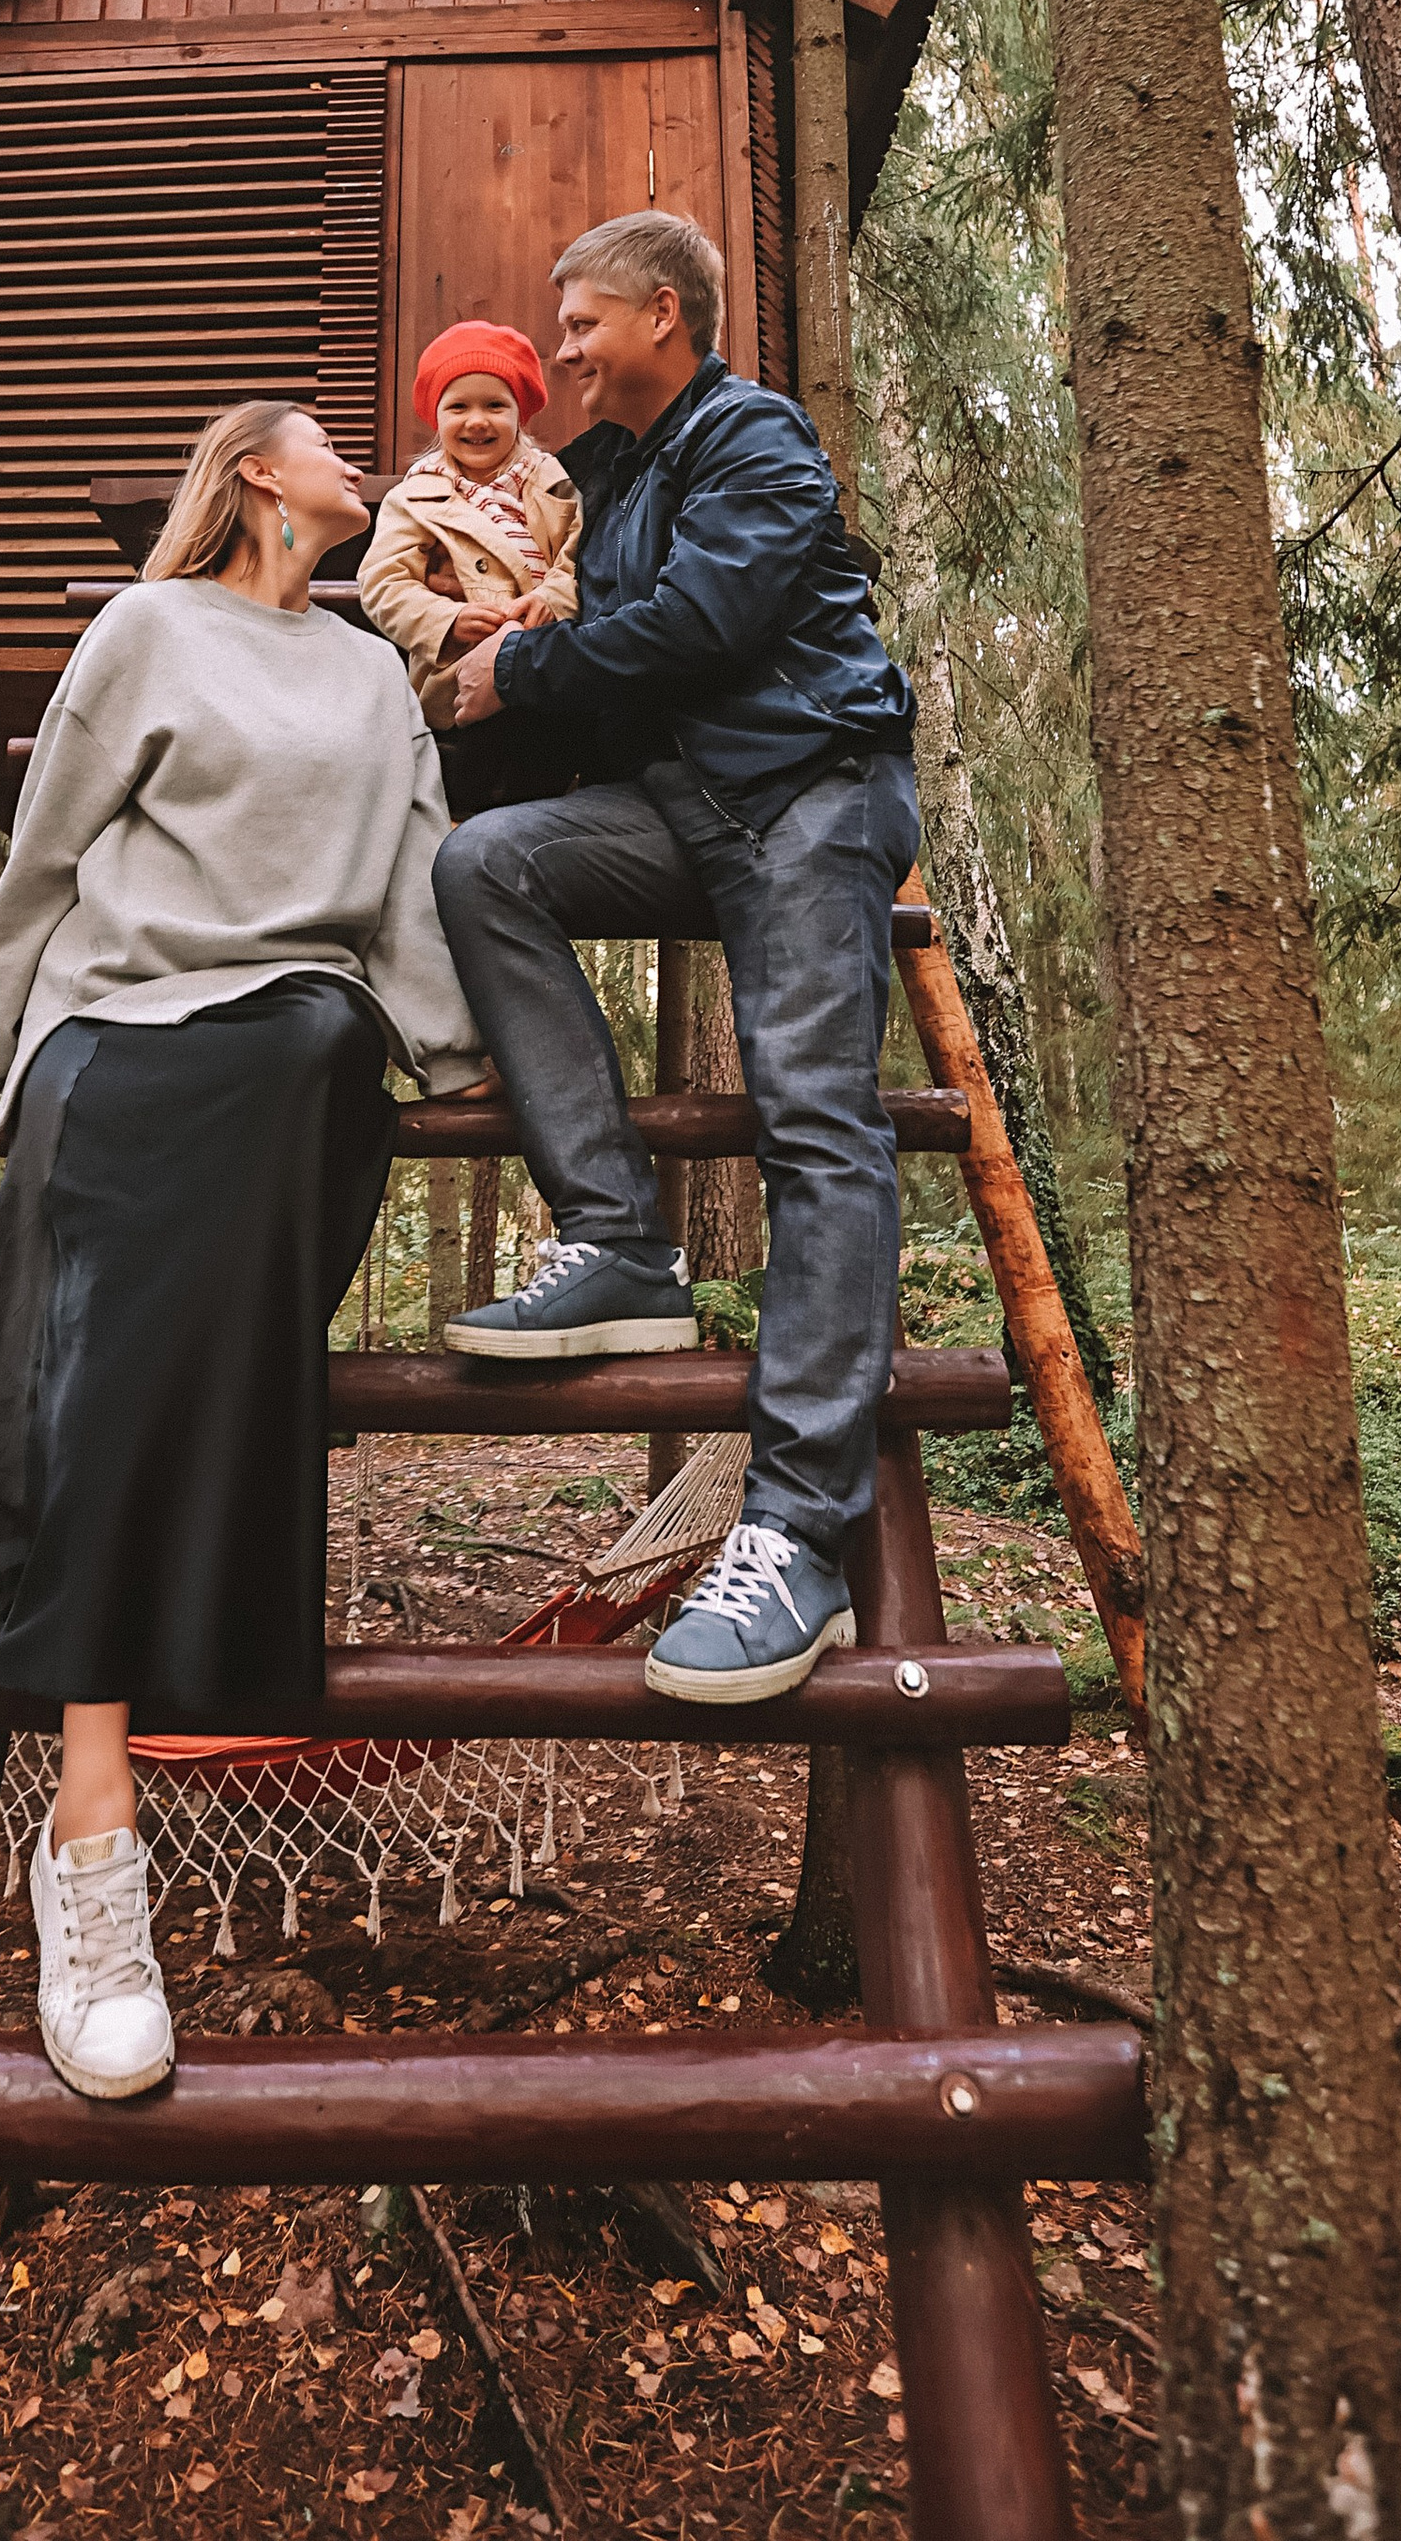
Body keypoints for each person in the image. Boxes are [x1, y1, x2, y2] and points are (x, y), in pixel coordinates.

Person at [0, 399, 484, 2100]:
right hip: (116, 1029)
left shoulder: (376, 677)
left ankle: (98, 1749)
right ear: (257, 475)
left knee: (315, 1049)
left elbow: (413, 874)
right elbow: (49, 856)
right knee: (135, 1305)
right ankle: (95, 1848)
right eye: (331, 449)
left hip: (286, 1035)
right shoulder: (149, 630)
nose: (361, 469)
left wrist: (460, 1066)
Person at [431, 211, 921, 1707]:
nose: (561, 349)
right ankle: (620, 1240)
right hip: (690, 805)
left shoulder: (752, 435)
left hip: (809, 790)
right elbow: (609, 644)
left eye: (579, 322)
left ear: (661, 314)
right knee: (485, 863)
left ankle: (796, 1537)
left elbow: (705, 624)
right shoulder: (615, 479)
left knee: (815, 1118)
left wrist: (515, 661)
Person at [357, 319, 581, 812]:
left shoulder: (552, 481)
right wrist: (447, 620)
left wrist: (551, 598)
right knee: (472, 777)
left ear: (519, 415)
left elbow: (577, 553)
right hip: (459, 673)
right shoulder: (417, 496)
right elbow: (382, 581)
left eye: (495, 406)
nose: (477, 420)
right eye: (458, 406)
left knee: (550, 758)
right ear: (435, 417)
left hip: (545, 658)